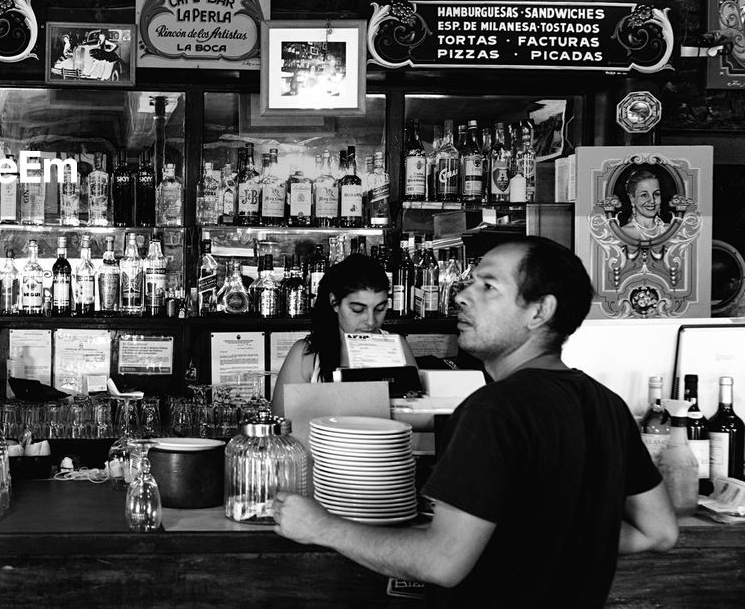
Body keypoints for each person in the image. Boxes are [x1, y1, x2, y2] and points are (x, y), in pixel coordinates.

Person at [273, 237, 678, 607]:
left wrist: (321, 527)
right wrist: (513, 536)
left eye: (487, 286)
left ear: (540, 311)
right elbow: (658, 531)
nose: (463, 295)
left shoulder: (493, 410)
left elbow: (441, 561)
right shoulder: (606, 403)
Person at [271, 252, 412, 416]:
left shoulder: (397, 345)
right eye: (358, 310)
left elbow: (419, 419)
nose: (371, 321)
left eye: (380, 309)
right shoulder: (306, 354)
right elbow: (280, 426)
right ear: (335, 303)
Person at [621, 169, 669, 241]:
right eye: (644, 195)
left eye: (656, 194)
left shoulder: (669, 229)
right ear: (632, 198)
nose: (652, 200)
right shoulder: (624, 233)